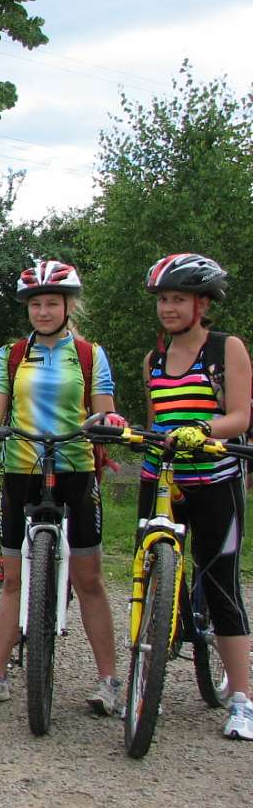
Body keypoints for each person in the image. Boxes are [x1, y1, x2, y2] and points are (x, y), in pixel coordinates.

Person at [0, 260, 123, 714]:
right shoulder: (11, 355)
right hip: (22, 468)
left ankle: (109, 680)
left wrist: (109, 421)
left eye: (52, 302)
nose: (44, 311)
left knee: (89, 580)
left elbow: (103, 411)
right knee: (12, 579)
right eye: (36, 304)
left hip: (75, 467)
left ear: (69, 306)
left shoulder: (89, 355)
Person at [139, 253, 252, 741]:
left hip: (214, 480)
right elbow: (155, 421)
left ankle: (243, 699)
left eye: (178, 298)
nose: (168, 307)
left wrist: (201, 428)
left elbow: (240, 417)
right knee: (153, 580)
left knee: (222, 584)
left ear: (202, 303)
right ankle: (149, 681)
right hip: (161, 480)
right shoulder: (154, 359)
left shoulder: (226, 349)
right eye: (164, 298)